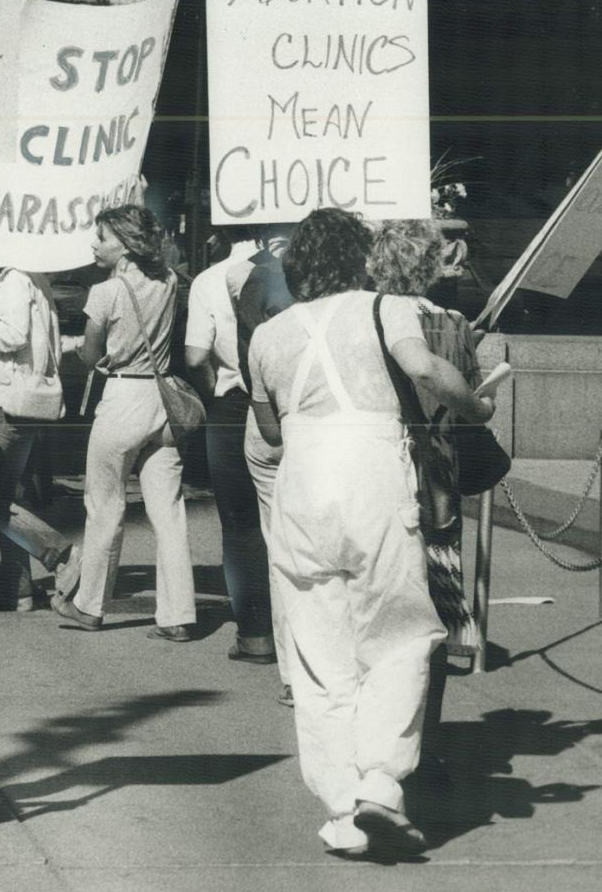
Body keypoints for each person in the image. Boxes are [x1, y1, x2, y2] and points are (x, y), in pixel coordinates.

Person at [245, 208, 493, 859]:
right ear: (362, 258)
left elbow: (270, 431)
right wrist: (477, 404)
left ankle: (343, 809)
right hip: (373, 478)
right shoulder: (385, 308)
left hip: (301, 487)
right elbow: (427, 371)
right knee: (403, 633)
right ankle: (382, 780)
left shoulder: (267, 334)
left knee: (321, 656)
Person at [367, 219, 483, 771]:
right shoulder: (455, 323)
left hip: (387, 469)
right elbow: (470, 387)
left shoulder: (370, 318)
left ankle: (377, 727)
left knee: (381, 599)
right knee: (437, 594)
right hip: (441, 471)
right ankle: (426, 735)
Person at [51, 206, 193, 636]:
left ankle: (90, 604)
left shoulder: (106, 292)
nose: (94, 243)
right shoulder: (168, 281)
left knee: (105, 506)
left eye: (103, 237)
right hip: (165, 397)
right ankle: (179, 614)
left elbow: (92, 356)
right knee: (168, 512)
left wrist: (82, 351)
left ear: (127, 245)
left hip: (123, 398)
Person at [0, 264, 75, 610]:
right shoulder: (32, 278)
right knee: (11, 499)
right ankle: (17, 587)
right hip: (25, 402)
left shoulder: (15, 281)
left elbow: (12, 336)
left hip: (9, 404)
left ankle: (61, 555)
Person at [184, 228, 274, 663]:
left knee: (240, 523)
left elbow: (196, 356)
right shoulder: (291, 273)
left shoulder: (208, 280)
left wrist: (214, 390)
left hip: (233, 403)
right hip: (289, 402)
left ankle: (256, 632)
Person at [234, 224, 298, 706]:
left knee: (284, 550)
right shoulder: (350, 290)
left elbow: (251, 362)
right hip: (314, 424)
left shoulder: (257, 280)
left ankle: (296, 671)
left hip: (274, 418)